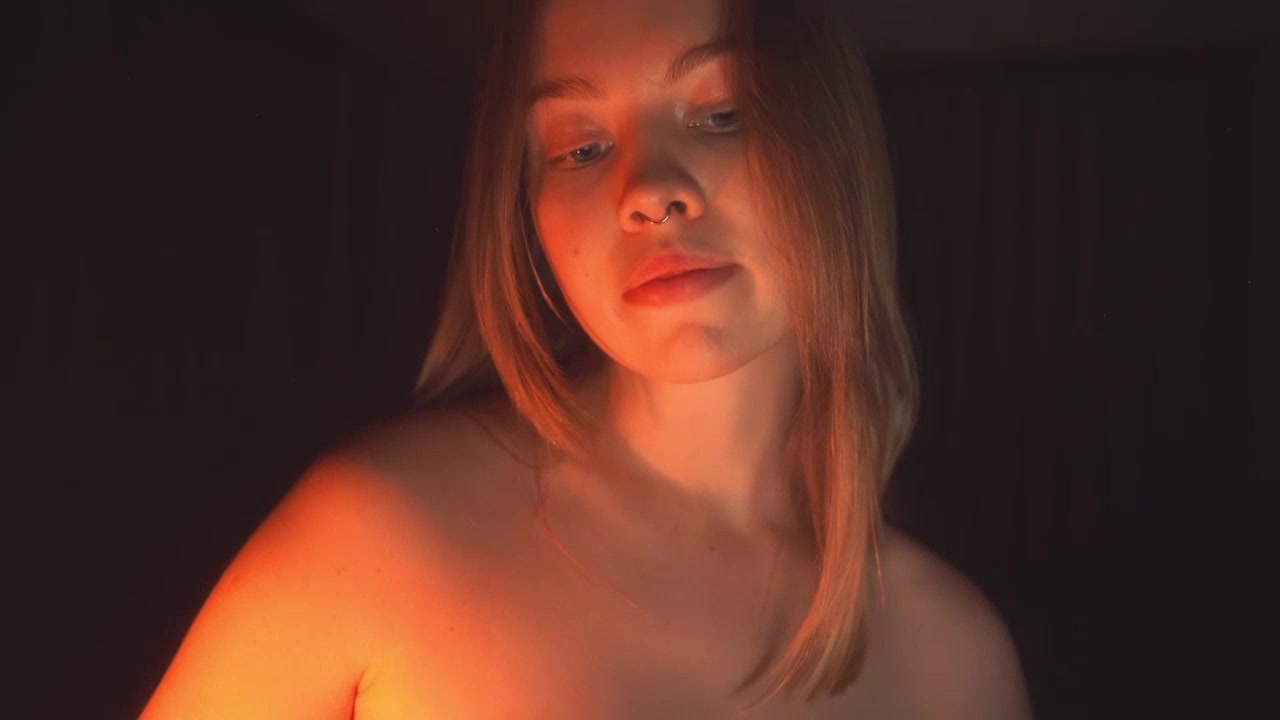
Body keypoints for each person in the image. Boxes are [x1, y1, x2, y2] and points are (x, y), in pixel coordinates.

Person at [141, 0, 1033, 716]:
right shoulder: (378, 535)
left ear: (836, 147)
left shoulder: (955, 665)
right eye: (581, 148)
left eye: (722, 113)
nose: (649, 191)